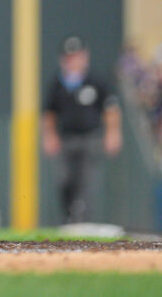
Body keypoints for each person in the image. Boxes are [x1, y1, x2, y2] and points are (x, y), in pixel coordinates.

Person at [42, 35, 122, 224]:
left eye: (76, 56)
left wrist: (113, 133)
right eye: (69, 57)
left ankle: (84, 222)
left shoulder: (95, 80)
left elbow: (111, 109)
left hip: (90, 138)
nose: (72, 61)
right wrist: (49, 137)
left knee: (86, 182)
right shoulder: (57, 83)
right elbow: (48, 113)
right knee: (64, 180)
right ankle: (68, 219)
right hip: (66, 140)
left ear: (84, 56)